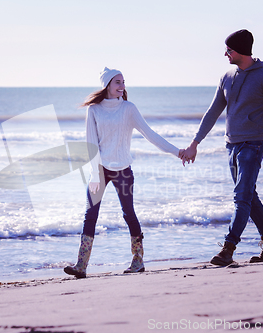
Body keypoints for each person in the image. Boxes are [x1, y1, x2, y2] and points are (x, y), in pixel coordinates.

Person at [180, 29, 263, 266]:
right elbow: (212, 112)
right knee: (249, 196)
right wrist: (195, 143)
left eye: (228, 50)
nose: (225, 54)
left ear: (240, 50)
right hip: (232, 145)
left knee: (241, 197)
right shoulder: (227, 77)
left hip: (254, 144)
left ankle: (228, 249)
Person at [64, 67, 184, 278]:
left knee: (129, 214)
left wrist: (177, 152)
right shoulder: (93, 109)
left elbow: (151, 135)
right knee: (90, 215)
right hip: (100, 170)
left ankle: (138, 261)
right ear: (107, 85)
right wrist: (94, 174)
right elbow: (90, 143)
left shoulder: (129, 109)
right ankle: (81, 266)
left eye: (123, 82)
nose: (122, 85)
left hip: (123, 171)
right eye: (117, 82)